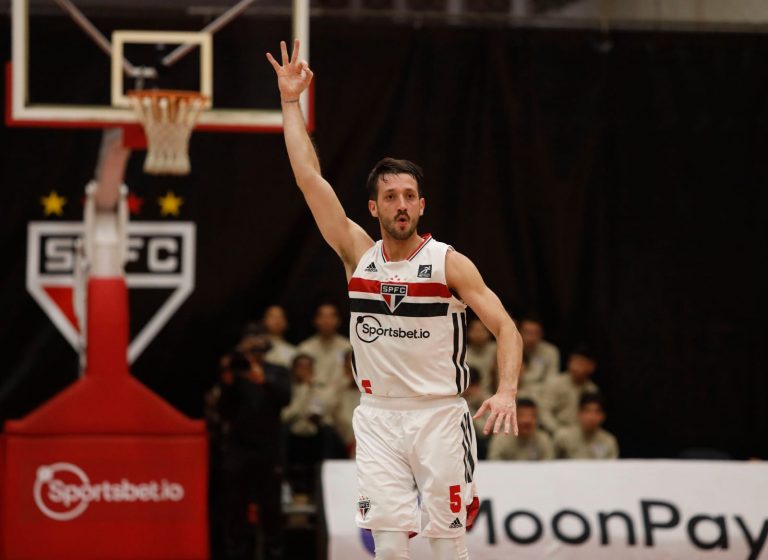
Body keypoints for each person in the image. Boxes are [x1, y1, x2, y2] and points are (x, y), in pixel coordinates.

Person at [267, 40, 523, 560]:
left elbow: (507, 328)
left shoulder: (449, 263)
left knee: (446, 544)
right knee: (387, 546)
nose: (401, 205)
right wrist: (291, 102)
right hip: (378, 416)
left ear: (421, 205)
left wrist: (507, 391)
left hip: (439, 415)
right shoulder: (358, 254)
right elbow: (309, 179)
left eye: (409, 196)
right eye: (390, 196)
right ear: (374, 207)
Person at [214, 327, 292, 560]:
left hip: (269, 449)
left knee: (271, 509)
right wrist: (228, 382)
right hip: (239, 449)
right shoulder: (236, 373)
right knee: (235, 509)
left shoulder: (277, 371)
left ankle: (274, 553)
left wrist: (263, 380)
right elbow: (224, 411)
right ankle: (235, 553)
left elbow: (285, 398)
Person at [538, 347, 599, 435]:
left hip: (581, 434)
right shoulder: (554, 383)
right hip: (554, 432)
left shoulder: (592, 389)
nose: (576, 367)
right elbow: (543, 411)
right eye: (573, 361)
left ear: (591, 366)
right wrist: (557, 430)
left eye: (581, 363)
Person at [297, 302, 351, 395]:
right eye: (323, 316)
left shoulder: (347, 347)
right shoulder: (305, 348)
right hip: (311, 395)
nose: (327, 321)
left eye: (331, 316)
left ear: (338, 320)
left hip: (341, 395)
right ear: (315, 320)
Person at [554, 393, 619, 459]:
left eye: (597, 412)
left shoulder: (608, 441)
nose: (592, 417)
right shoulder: (563, 437)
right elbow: (552, 462)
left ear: (603, 416)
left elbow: (612, 464)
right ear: (579, 414)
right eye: (587, 411)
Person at [487, 398, 554, 461]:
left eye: (531, 416)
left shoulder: (544, 440)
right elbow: (493, 463)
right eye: (522, 415)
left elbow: (549, 464)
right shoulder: (501, 440)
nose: (527, 420)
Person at [518, 315, 560, 391]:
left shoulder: (550, 351)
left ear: (541, 334)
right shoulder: (509, 349)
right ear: (519, 332)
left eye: (535, 333)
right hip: (514, 391)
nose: (530, 338)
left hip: (539, 394)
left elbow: (551, 381)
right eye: (527, 332)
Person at [465, 318, 497, 395]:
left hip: (490, 393)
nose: (478, 334)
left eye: (482, 330)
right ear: (468, 332)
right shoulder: (463, 352)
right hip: (467, 394)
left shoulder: (496, 349)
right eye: (475, 330)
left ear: (489, 332)